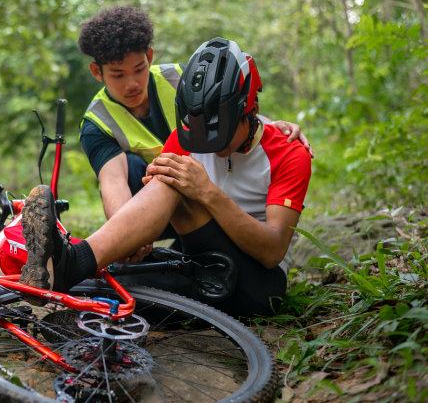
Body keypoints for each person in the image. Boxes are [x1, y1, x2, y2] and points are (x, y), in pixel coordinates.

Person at [19, 37, 312, 318]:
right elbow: (138, 192)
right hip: (203, 263)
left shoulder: (289, 153)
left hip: (258, 285)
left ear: (252, 112)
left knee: (174, 182)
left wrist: (208, 193)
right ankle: (72, 281)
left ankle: (73, 262)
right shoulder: (187, 135)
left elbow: (273, 251)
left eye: (221, 139)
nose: (212, 148)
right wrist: (133, 242)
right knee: (121, 273)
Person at [77, 5, 312, 225]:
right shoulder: (97, 122)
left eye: (139, 70)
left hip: (204, 194)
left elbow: (232, 111)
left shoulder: (183, 79)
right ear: (97, 72)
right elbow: (114, 182)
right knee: (131, 165)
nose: (132, 84)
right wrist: (125, 231)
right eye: (118, 75)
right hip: (151, 205)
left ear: (149, 56)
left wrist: (271, 126)